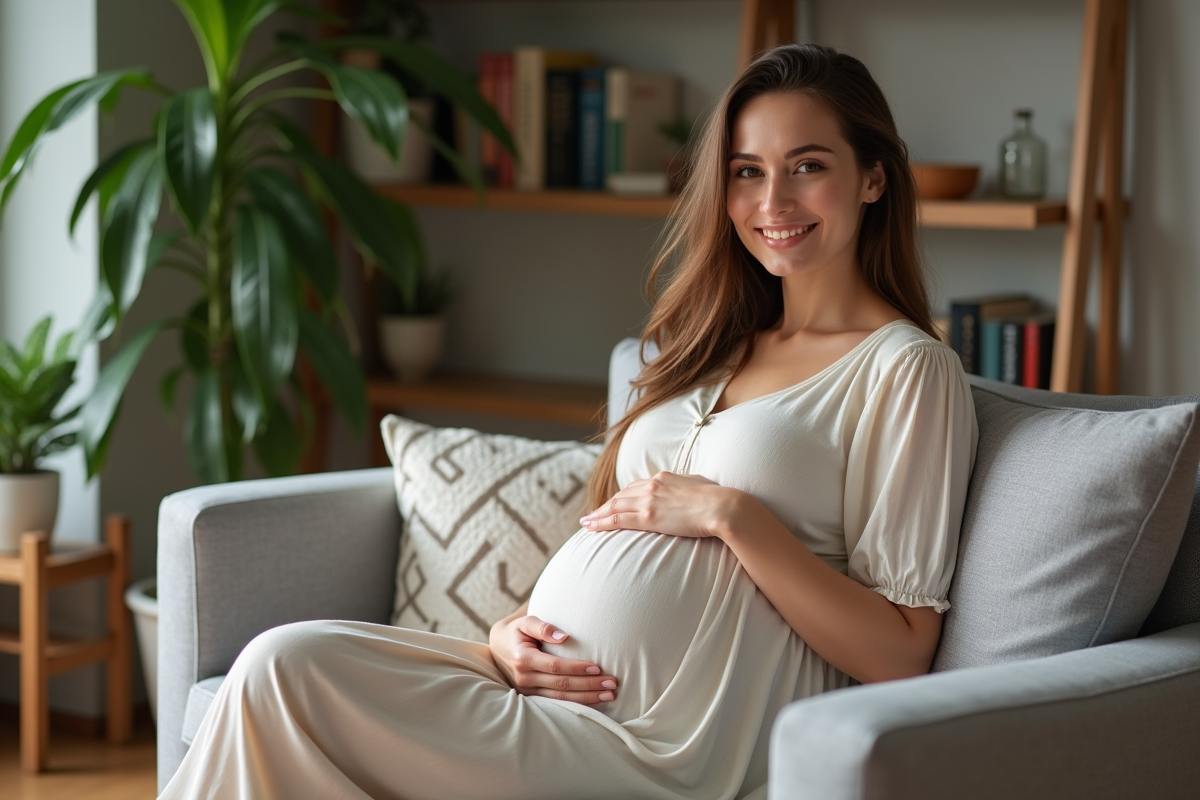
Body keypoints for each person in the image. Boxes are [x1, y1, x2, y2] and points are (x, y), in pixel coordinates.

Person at [161, 43, 977, 800]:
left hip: (665, 745)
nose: (773, 201)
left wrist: (733, 515)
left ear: (874, 177)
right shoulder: (703, 342)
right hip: (545, 694)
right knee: (276, 658)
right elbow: (608, 532)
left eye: (808, 166)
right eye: (746, 171)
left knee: (285, 681)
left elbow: (901, 653)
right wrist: (507, 631)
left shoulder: (905, 369)